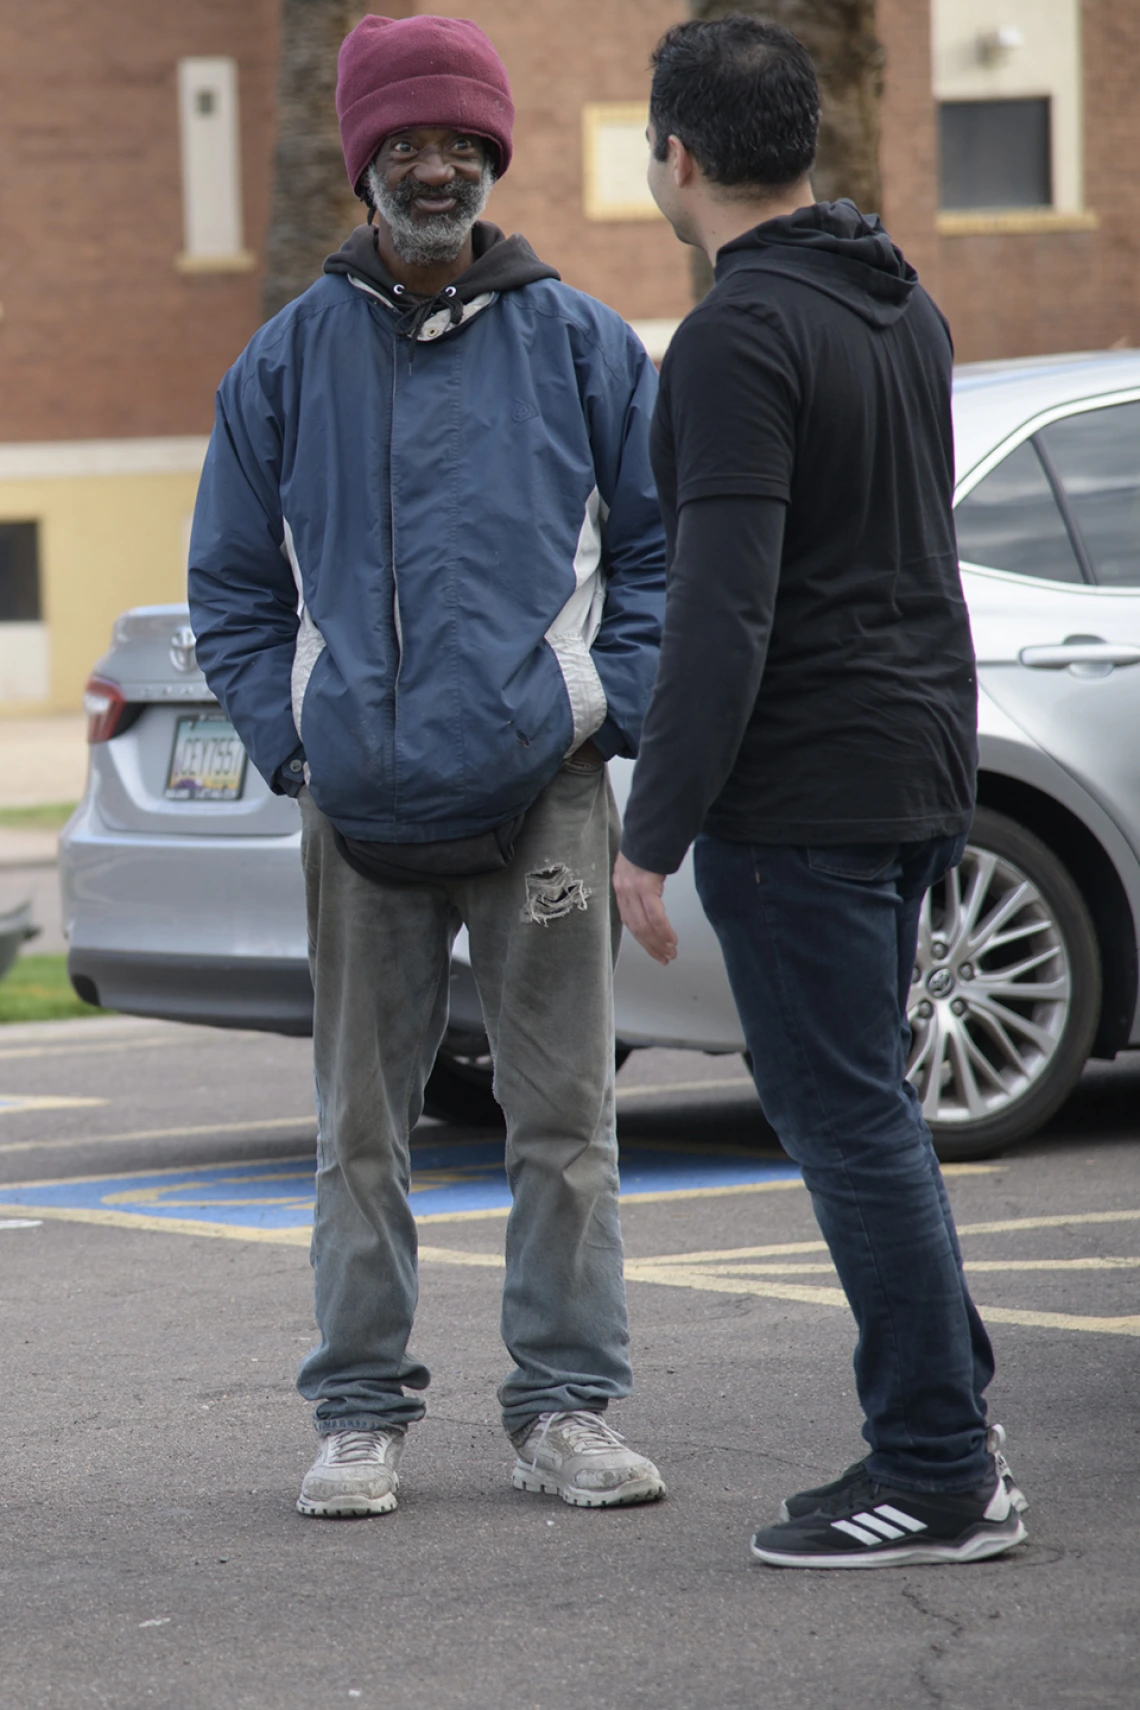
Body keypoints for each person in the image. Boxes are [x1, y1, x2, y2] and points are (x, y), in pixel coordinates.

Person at [189, 13, 667, 1518]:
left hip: (544, 798)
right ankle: (357, 1412)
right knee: (359, 1132)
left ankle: (568, 1405)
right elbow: (231, 590)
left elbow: (662, 555)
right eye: (405, 141)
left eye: (461, 140)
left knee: (566, 1122)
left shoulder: (583, 341)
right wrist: (296, 742)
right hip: (361, 813)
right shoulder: (283, 361)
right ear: (363, 164)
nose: (436, 164)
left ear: (495, 156)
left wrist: (593, 705)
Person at [613, 16, 1028, 1568]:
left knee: (848, 1121)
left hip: (807, 796)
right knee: (875, 1116)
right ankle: (953, 1440)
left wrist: (654, 827)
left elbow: (726, 604)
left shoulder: (732, 337)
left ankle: (934, 1468)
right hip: (917, 766)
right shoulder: (894, 301)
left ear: (681, 155)